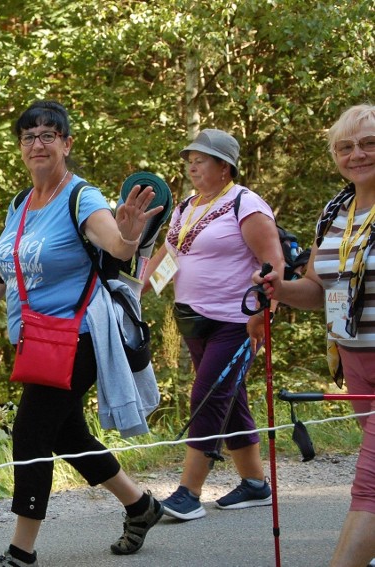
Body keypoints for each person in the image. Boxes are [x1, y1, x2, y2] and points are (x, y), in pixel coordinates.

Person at [0, 100, 164, 567]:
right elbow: (2, 275)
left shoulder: (83, 197)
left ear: (66, 143)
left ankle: (21, 552)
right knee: (65, 434)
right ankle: (141, 506)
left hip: (79, 335)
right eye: (29, 136)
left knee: (30, 433)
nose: (37, 143)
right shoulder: (20, 204)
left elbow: (115, 244)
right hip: (35, 340)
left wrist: (129, 234)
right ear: (20, 147)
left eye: (48, 135)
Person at [254, 104, 375, 567]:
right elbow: (320, 292)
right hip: (354, 362)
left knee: (369, 484)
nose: (357, 154)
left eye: (368, 144)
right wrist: (279, 288)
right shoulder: (336, 211)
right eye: (345, 147)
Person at [143, 128, 284, 521]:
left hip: (236, 322)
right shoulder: (187, 206)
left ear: (224, 166)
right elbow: (168, 255)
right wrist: (136, 292)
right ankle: (255, 484)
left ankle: (188, 493)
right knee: (228, 397)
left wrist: (263, 312)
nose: (191, 165)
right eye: (189, 158)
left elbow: (273, 263)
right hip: (194, 320)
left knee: (207, 396)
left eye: (200, 159)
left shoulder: (246, 204)